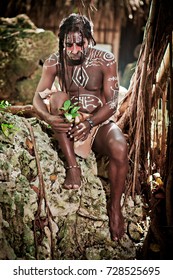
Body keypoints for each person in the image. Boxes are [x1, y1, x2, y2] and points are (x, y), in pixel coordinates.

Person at [33, 13, 128, 241]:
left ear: (89, 39)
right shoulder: (54, 62)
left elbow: (113, 103)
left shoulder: (105, 60)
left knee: (120, 147)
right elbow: (37, 98)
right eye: (69, 44)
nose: (74, 49)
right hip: (69, 124)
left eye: (80, 43)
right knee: (56, 98)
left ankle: (115, 208)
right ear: (62, 41)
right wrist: (47, 117)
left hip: (97, 122)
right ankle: (72, 168)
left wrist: (90, 122)